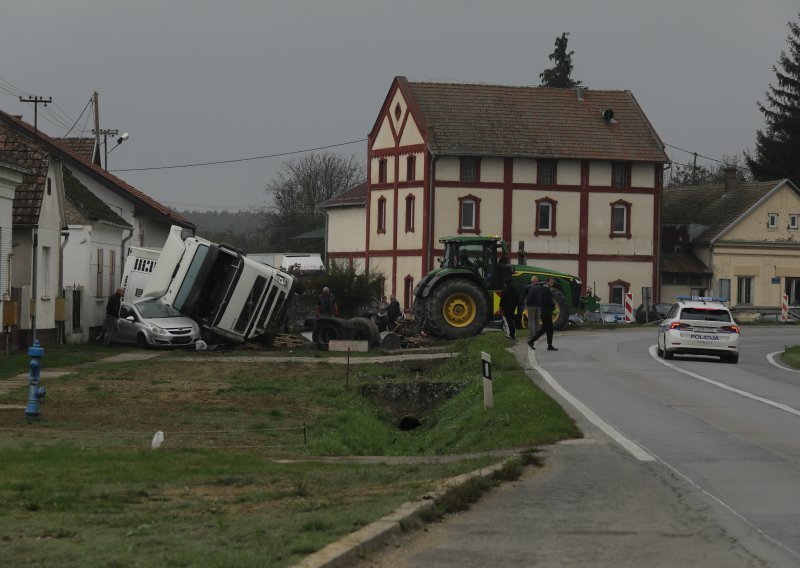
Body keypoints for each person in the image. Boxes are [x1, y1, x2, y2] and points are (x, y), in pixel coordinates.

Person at [530, 278, 559, 351]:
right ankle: (531, 341)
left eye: (553, 283)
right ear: (547, 282)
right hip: (546, 312)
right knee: (545, 329)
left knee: (549, 329)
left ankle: (549, 345)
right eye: (551, 283)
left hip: (545, 312)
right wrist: (553, 305)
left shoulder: (544, 289)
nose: (552, 284)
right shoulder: (546, 290)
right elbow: (547, 301)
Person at [522, 276, 542, 344]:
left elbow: (530, 297)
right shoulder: (540, 287)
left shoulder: (531, 287)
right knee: (537, 320)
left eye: (531, 280)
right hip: (539, 306)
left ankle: (532, 335)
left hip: (531, 306)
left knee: (531, 321)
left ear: (533, 281)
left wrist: (527, 304)